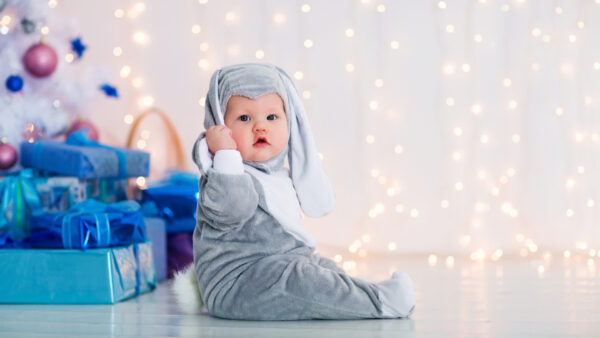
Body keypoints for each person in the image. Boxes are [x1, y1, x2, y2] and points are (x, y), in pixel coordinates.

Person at [173, 63, 415, 320]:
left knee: (323, 270)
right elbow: (232, 210)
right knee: (303, 281)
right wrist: (225, 154)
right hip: (237, 283)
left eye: (272, 117)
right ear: (220, 124)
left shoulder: (279, 176)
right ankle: (382, 304)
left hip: (282, 266)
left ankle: (368, 294)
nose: (260, 127)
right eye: (244, 118)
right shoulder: (224, 175)